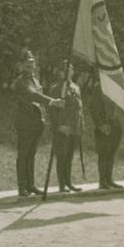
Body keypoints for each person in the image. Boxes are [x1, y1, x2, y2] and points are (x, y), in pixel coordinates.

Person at [13, 49, 64, 197]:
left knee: (31, 155)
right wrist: (52, 101)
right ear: (21, 65)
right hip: (25, 123)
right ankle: (22, 186)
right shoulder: (21, 81)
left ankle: (31, 184)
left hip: (36, 122)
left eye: (32, 63)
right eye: (27, 63)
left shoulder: (35, 80)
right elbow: (32, 95)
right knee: (23, 155)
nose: (30, 66)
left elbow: (38, 99)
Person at [48, 59, 84, 192]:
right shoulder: (56, 88)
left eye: (70, 70)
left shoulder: (75, 87)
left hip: (74, 127)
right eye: (65, 70)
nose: (68, 72)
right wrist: (59, 126)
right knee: (61, 157)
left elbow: (80, 108)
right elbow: (51, 110)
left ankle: (68, 182)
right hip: (63, 128)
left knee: (69, 157)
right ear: (60, 72)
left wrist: (81, 125)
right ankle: (62, 184)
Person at [88, 73, 123, 189]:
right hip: (105, 124)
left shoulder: (116, 87)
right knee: (104, 153)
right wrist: (100, 124)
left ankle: (109, 178)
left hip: (116, 125)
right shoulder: (99, 87)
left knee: (112, 153)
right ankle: (102, 180)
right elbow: (94, 108)